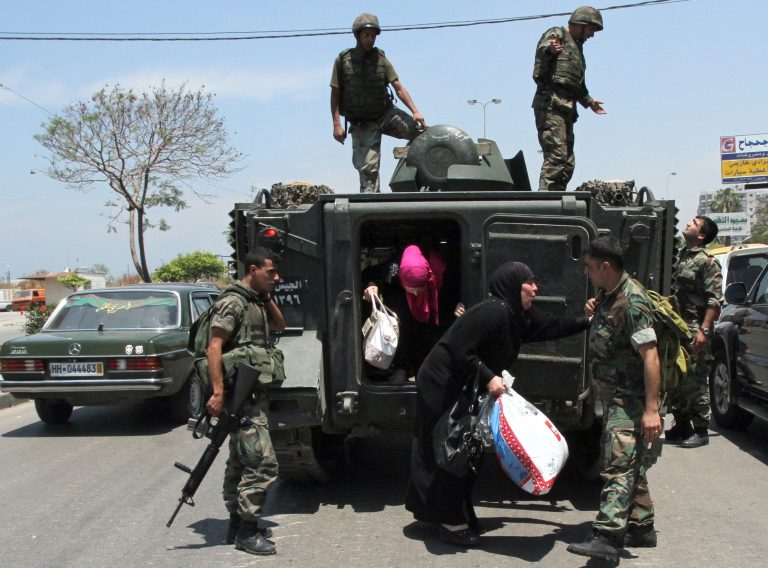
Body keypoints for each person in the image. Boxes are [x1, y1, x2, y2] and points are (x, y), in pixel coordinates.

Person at [406, 261, 590, 546]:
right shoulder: (494, 311)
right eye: (530, 283)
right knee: (453, 449)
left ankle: (449, 511)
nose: (536, 288)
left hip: (459, 385)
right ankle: (449, 520)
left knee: (462, 449)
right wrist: (488, 376)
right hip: (441, 384)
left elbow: (549, 327)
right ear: (515, 286)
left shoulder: (514, 316)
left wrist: (585, 320)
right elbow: (458, 350)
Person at [567, 236, 662, 562]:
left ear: (605, 266)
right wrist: (596, 308)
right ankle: (641, 525)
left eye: (590, 267)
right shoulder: (611, 295)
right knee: (628, 459)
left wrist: (651, 410)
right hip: (613, 397)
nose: (586, 273)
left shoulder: (633, 301)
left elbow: (651, 356)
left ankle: (607, 536)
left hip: (628, 398)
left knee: (617, 466)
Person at [205, 248, 285, 556]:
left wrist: (266, 296)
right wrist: (217, 393)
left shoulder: (255, 301)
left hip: (250, 395)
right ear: (252, 270)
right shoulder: (233, 302)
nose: (276, 278)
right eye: (270, 273)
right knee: (263, 463)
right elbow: (215, 346)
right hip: (239, 397)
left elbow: (279, 325)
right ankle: (247, 531)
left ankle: (236, 524)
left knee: (240, 461)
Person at [330, 13, 426, 193]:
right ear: (357, 35)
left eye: (373, 35)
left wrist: (415, 112)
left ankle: (425, 179)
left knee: (423, 133)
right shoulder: (343, 61)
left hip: (385, 114)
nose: (370, 39)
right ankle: (371, 208)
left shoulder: (381, 59)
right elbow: (335, 94)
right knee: (368, 172)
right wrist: (336, 125)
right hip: (362, 123)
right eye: (366, 35)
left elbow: (398, 87)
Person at [532, 6, 606, 192]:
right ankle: (545, 201)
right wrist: (550, 49)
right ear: (580, 24)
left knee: (567, 163)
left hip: (567, 109)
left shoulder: (577, 50)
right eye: (591, 29)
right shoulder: (558, 34)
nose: (592, 35)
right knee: (556, 156)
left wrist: (589, 102)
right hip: (550, 105)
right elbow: (543, 48)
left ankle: (557, 199)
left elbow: (575, 83)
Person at [666, 216, 722, 448]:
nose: (689, 223)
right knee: (678, 379)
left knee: (696, 380)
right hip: (678, 328)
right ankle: (682, 425)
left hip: (695, 329)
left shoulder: (707, 262)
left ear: (702, 235)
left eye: (695, 223)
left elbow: (714, 300)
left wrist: (704, 330)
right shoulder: (682, 256)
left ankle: (701, 430)